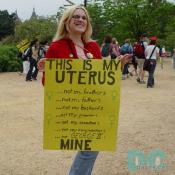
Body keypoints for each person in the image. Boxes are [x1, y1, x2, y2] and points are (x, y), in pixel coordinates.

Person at [38, 5, 129, 175]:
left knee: (93, 146)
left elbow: (100, 78)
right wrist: (46, 70)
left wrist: (117, 67)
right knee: (90, 148)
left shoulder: (93, 47)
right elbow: (49, 85)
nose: (81, 20)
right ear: (67, 22)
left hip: (92, 108)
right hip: (72, 108)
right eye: (76, 17)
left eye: (84, 17)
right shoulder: (56, 47)